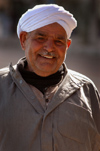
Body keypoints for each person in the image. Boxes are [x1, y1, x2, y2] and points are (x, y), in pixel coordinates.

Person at [0, 4, 100, 151]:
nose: (49, 47)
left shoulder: (86, 90)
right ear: (23, 40)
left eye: (59, 41)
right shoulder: (1, 87)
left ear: (67, 46)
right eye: (41, 38)